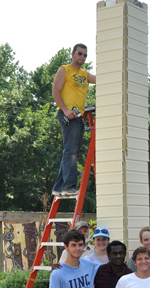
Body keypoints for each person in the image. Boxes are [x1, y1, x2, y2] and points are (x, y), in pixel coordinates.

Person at [51, 43, 96, 196]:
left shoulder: (84, 74)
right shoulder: (64, 70)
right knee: (71, 151)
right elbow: (55, 92)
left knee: (71, 151)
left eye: (85, 55)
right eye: (79, 53)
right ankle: (68, 187)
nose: (82, 57)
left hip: (78, 116)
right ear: (73, 54)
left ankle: (58, 187)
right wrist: (65, 110)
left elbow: (100, 79)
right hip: (68, 114)